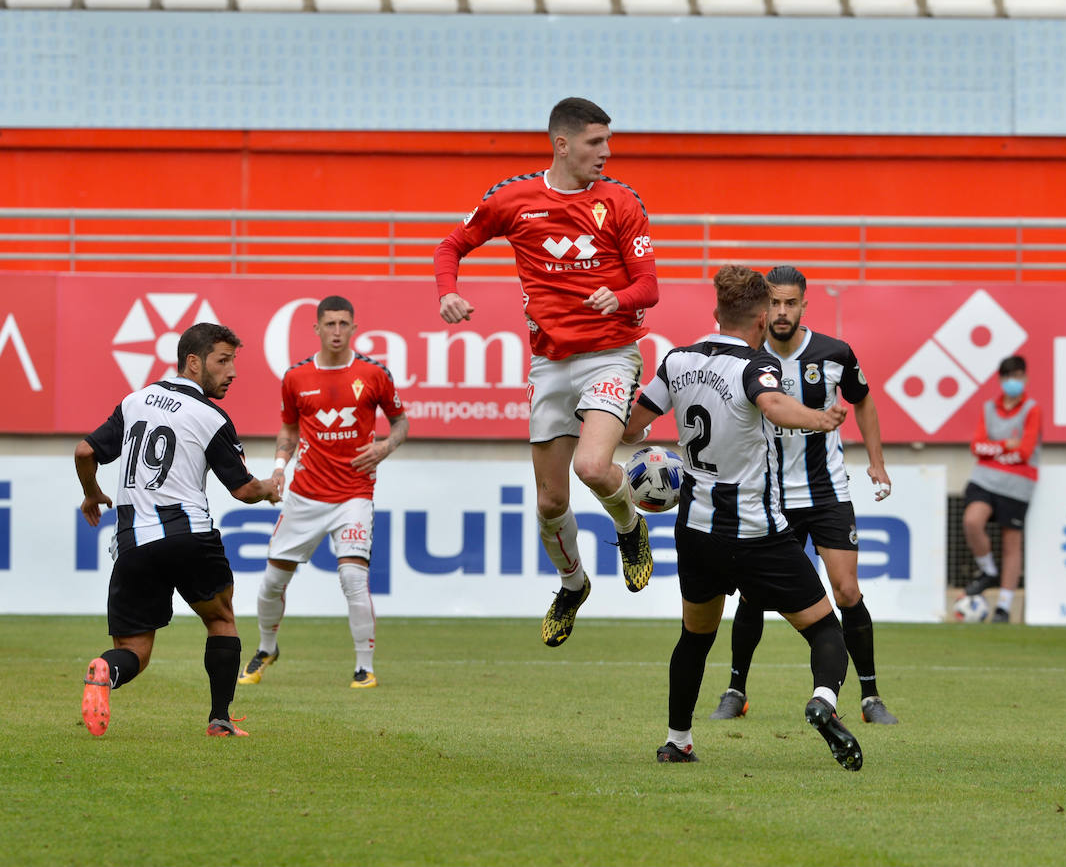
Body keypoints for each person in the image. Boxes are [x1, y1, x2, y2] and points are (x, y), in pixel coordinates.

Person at [432, 97, 659, 647]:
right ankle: (573, 584)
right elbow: (451, 245)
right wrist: (448, 294)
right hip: (550, 362)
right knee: (550, 502)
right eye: (594, 143)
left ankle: (631, 528)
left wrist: (619, 296)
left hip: (609, 352)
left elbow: (649, 287)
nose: (605, 153)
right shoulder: (513, 198)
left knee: (593, 465)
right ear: (562, 144)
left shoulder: (621, 202)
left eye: (608, 142)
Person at [623, 265, 862, 771]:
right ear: (759, 320)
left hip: (695, 532)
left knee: (694, 637)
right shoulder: (755, 366)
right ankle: (823, 699)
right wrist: (820, 418)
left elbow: (630, 428)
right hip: (755, 533)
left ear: (714, 312)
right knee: (824, 631)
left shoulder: (676, 360)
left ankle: (678, 740)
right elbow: (774, 405)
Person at [708, 265, 897, 726]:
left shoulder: (834, 353)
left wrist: (876, 461)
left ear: (804, 305)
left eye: (790, 303)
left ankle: (870, 698)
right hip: (768, 495)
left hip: (827, 491)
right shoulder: (747, 358)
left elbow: (864, 399)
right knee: (752, 596)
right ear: (762, 307)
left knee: (847, 591)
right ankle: (736, 690)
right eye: (774, 302)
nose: (781, 311)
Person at [75, 323, 281, 738]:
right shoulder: (210, 416)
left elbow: (85, 451)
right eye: (223, 361)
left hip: (132, 542)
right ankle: (220, 720)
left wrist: (92, 493)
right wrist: (270, 489)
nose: (232, 372)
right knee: (221, 619)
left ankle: (104, 673)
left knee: (133, 651)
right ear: (193, 361)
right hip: (189, 535)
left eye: (233, 362)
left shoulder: (135, 400)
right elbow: (242, 490)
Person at [239, 295, 408, 690]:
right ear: (316, 328)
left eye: (343, 324)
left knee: (352, 578)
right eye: (329, 324)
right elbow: (289, 428)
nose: (336, 331)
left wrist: (385, 447)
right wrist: (279, 468)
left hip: (354, 493)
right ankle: (267, 648)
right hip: (304, 494)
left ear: (354, 327)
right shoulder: (296, 377)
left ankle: (364, 666)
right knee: (271, 583)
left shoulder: (374, 373)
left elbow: (400, 423)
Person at [959, 355, 1040, 622]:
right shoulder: (989, 408)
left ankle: (1004, 606)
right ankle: (988, 570)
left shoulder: (1032, 409)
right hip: (985, 480)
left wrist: (993, 449)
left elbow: (1026, 451)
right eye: (1007, 376)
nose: (1012, 382)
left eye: (1017, 376)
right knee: (972, 520)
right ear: (1001, 379)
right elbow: (976, 446)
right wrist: (1006, 446)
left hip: (1018, 485)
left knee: (1011, 542)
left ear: (1025, 378)